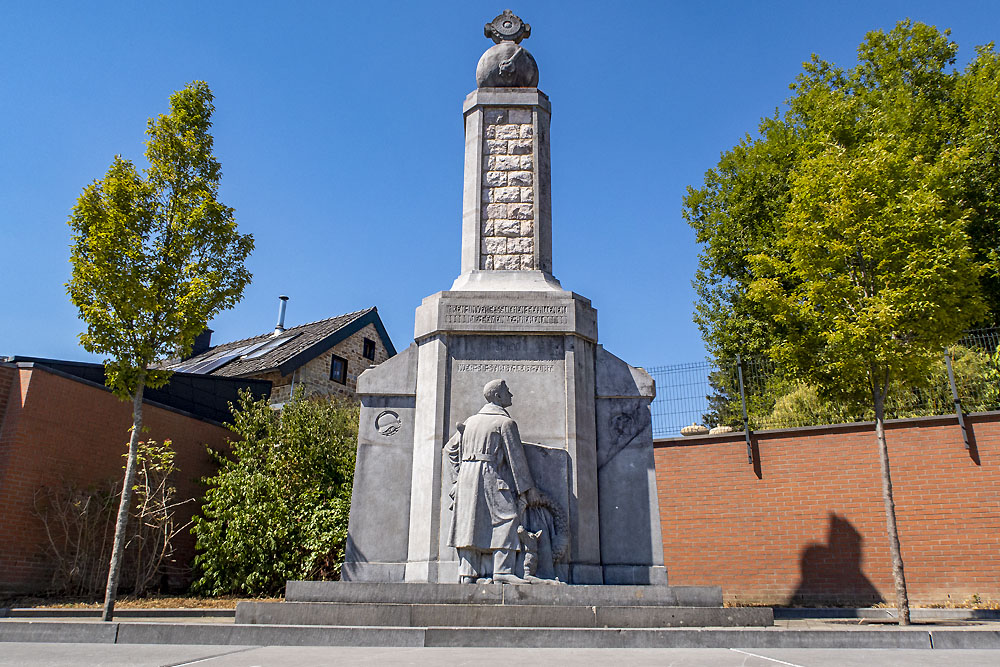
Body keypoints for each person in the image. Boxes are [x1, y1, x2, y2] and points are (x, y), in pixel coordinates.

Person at [445, 379, 540, 584]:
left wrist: (456, 479)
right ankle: (502, 571)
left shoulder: (469, 422)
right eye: (507, 391)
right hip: (491, 475)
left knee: (469, 523)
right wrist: (528, 489)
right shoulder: (505, 423)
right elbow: (517, 460)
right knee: (507, 518)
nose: (511, 394)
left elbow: (450, 449)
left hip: (467, 477)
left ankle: (467, 574)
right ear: (497, 396)